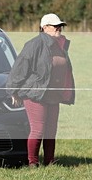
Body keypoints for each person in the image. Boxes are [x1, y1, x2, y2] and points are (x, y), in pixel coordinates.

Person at [6, 13, 75, 167]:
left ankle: (50, 161)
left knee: (51, 131)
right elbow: (19, 68)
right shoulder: (34, 44)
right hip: (35, 94)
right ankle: (33, 162)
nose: (59, 29)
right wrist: (13, 91)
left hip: (53, 94)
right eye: (55, 26)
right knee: (38, 130)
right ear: (44, 28)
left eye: (60, 26)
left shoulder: (60, 44)